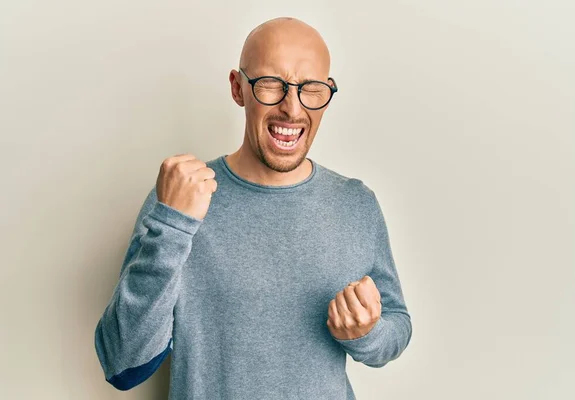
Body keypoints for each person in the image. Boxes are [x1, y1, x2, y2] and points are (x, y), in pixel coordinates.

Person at [94, 16, 412, 400]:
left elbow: (397, 325)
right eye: (271, 85)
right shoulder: (179, 199)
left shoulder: (356, 203)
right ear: (238, 87)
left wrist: (367, 334)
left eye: (310, 89)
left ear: (327, 93)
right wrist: (172, 225)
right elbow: (123, 364)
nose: (292, 110)